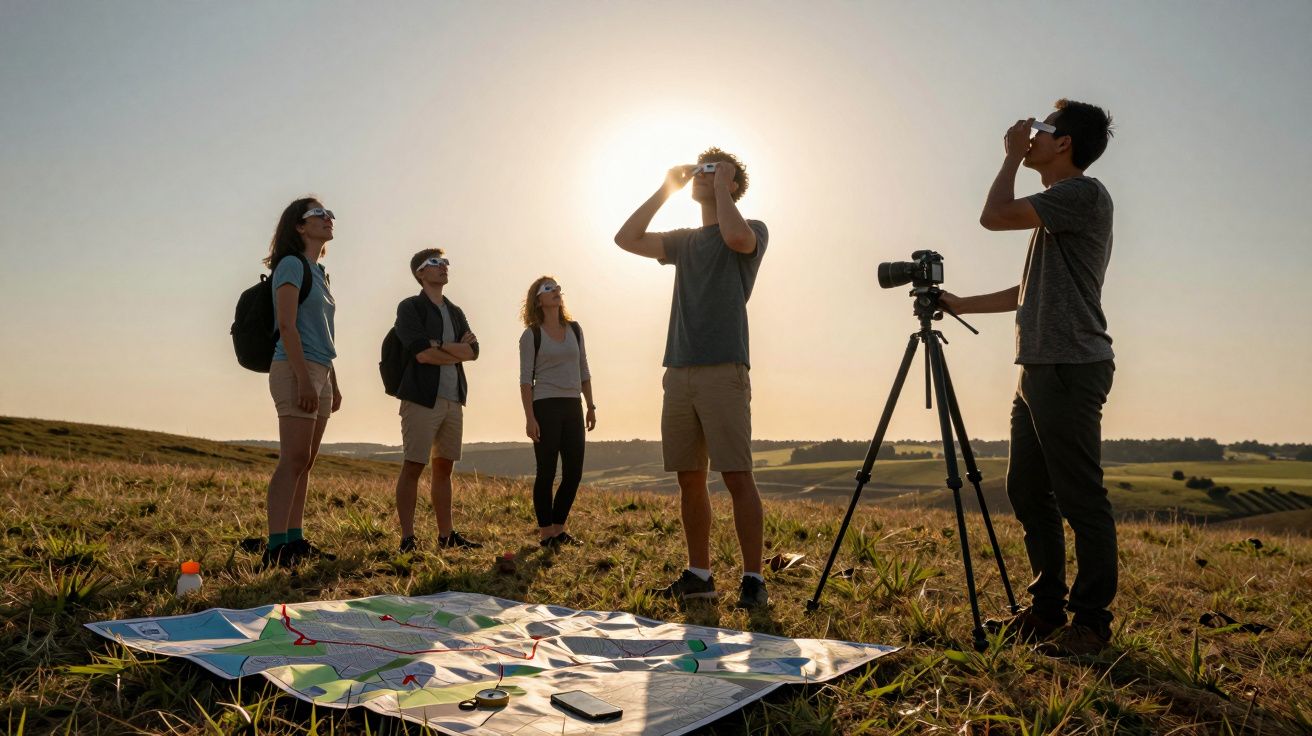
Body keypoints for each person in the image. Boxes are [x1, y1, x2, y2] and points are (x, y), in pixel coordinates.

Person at [940, 99, 1117, 656]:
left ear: (1064, 143)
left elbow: (993, 216)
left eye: (1041, 130)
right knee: (1027, 489)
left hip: (1070, 365)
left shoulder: (1082, 193)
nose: (1031, 136)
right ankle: (1045, 612)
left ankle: (1090, 624)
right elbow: (1029, 292)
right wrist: (962, 303)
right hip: (1040, 367)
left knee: (1080, 497)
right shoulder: (1058, 210)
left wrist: (1011, 157)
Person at [614, 147, 770, 609]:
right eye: (702, 170)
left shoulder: (753, 229)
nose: (704, 176)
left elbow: (737, 238)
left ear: (733, 184)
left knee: (737, 475)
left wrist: (720, 185)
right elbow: (626, 238)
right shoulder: (684, 242)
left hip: (724, 368)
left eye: (714, 171)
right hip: (679, 369)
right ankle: (699, 575)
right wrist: (667, 188)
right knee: (689, 477)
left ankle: (753, 579)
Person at [262, 197, 341, 568]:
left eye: (329, 214)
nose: (328, 218)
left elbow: (322, 331)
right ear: (299, 225)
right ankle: (275, 547)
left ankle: (294, 540)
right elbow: (287, 325)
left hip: (320, 370)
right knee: (292, 459)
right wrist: (304, 379)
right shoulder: (291, 265)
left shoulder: (320, 272)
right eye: (318, 214)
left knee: (305, 462)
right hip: (295, 368)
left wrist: (332, 382)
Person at [391, 248, 482, 552]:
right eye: (435, 262)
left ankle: (446, 536)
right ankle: (408, 539)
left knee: (444, 469)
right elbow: (421, 354)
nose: (443, 266)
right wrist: (454, 350)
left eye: (445, 262)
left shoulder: (455, 311)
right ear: (420, 272)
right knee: (414, 466)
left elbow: (474, 352)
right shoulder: (410, 307)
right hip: (421, 398)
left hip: (454, 398)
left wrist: (440, 344)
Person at [518, 276, 596, 548]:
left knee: (574, 472)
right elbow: (525, 380)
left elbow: (583, 369)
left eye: (557, 288)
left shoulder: (575, 329)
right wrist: (530, 418)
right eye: (548, 288)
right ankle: (546, 534)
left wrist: (590, 405)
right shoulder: (531, 335)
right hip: (545, 406)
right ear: (538, 300)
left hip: (573, 405)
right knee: (547, 472)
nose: (556, 291)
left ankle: (559, 528)